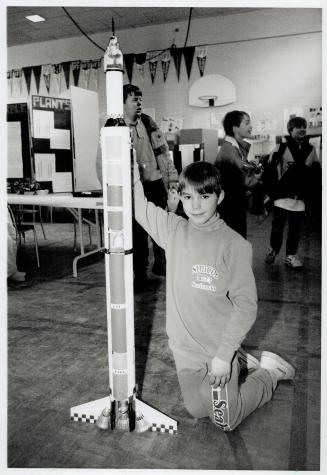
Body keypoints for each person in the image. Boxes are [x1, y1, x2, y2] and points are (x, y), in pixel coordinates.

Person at [134, 159, 295, 431]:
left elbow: (246, 306)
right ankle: (241, 361)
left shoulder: (234, 245)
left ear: (219, 196)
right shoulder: (174, 230)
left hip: (216, 351)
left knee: (224, 420)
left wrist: (223, 356)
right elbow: (137, 205)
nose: (194, 205)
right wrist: (124, 158)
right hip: (184, 351)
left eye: (204, 196)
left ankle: (268, 374)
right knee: (196, 409)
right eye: (188, 196)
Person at [123, 84, 179, 291]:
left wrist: (173, 179)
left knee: (160, 225)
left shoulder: (149, 123)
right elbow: (103, 164)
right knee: (137, 234)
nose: (138, 103)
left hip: (156, 184)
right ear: (122, 104)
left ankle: (161, 263)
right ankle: (139, 274)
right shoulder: (115, 129)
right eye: (133, 99)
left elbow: (165, 155)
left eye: (140, 99)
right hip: (135, 189)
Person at [263, 116, 320, 268]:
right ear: (290, 130)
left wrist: (314, 196)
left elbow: (316, 173)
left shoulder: (311, 150)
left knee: (295, 228)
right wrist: (270, 192)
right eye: (298, 127)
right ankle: (273, 250)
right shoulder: (280, 147)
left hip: (300, 197)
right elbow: (269, 171)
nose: (302, 130)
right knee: (277, 226)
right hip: (282, 196)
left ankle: (290, 256)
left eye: (304, 127)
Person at [214, 110, 258, 239]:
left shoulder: (234, 147)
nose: (251, 126)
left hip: (233, 204)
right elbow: (244, 179)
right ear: (235, 127)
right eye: (247, 123)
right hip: (230, 207)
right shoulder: (229, 149)